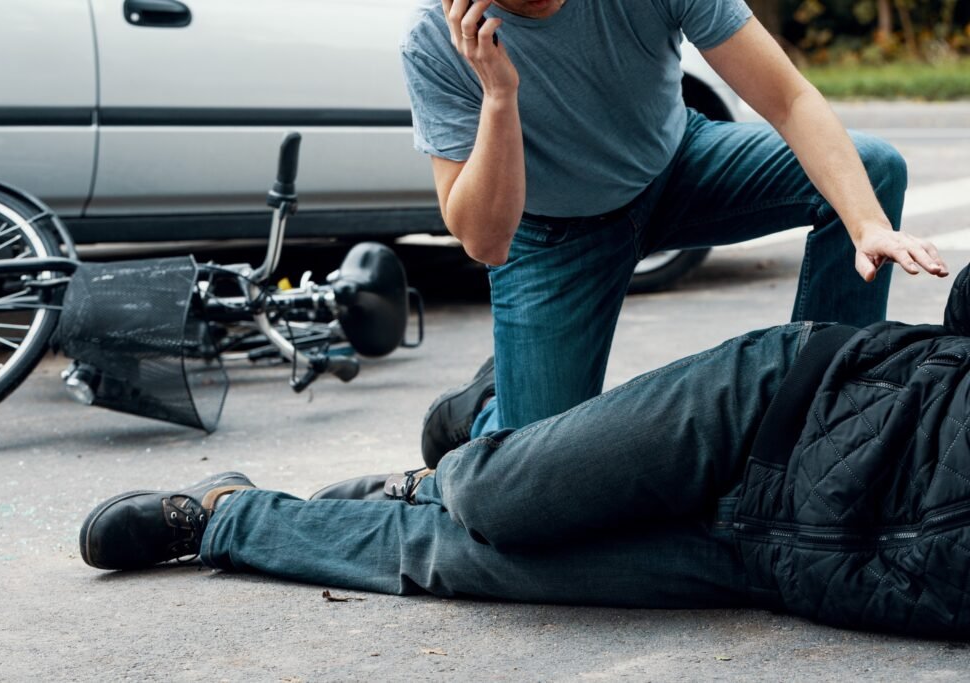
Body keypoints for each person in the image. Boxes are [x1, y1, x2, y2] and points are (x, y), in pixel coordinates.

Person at [81, 264, 970, 638]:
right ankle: (479, 429)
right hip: (785, 405)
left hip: (778, 555)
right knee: (499, 499)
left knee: (465, 556)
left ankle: (229, 516)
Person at [404, 0, 950, 467]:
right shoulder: (433, 40)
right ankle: (483, 405)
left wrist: (867, 224)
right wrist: (499, 94)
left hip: (678, 165)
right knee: (529, 475)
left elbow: (790, 99)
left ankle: (826, 426)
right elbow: (486, 241)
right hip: (554, 232)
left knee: (872, 167)